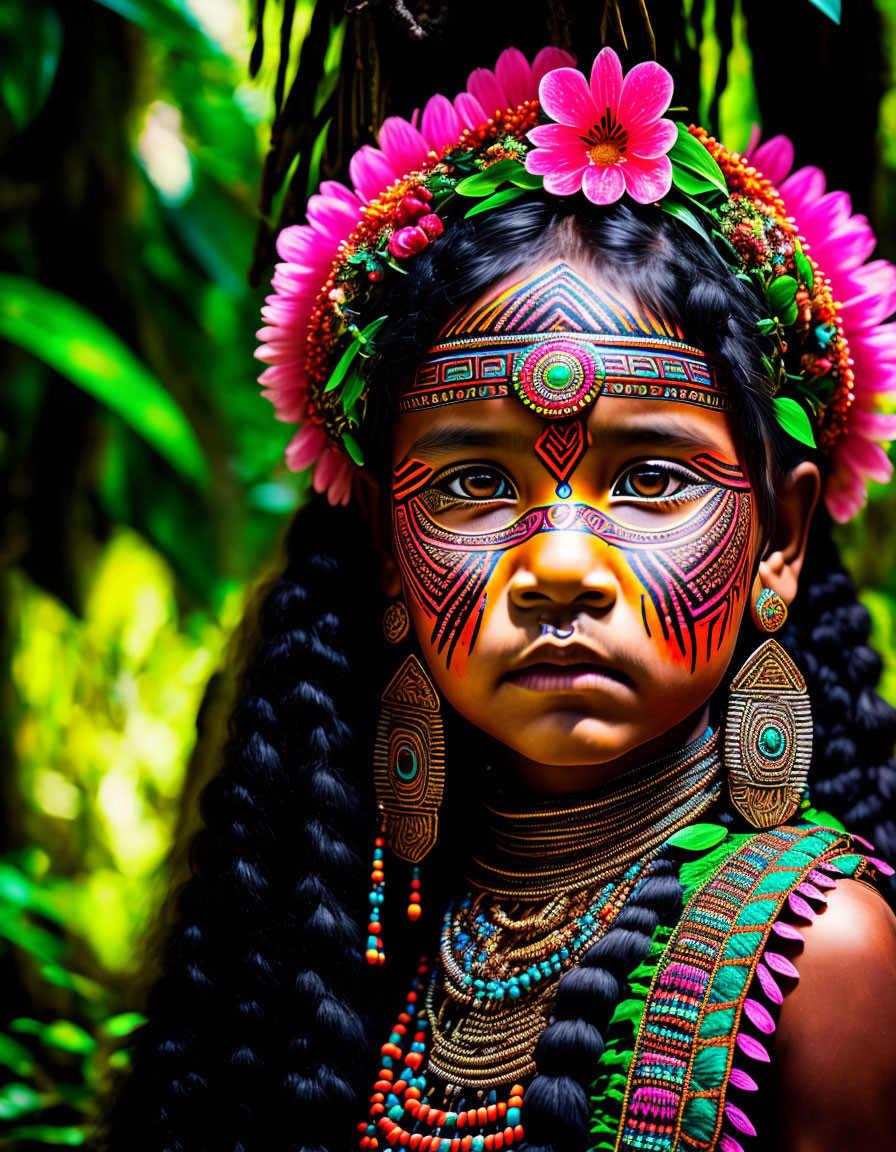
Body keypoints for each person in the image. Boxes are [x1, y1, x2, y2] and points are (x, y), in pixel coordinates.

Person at [102, 45, 896, 1152]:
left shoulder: (822, 962)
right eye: (475, 483)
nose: (560, 565)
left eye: (650, 480)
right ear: (385, 543)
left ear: (781, 538)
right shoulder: (355, 945)